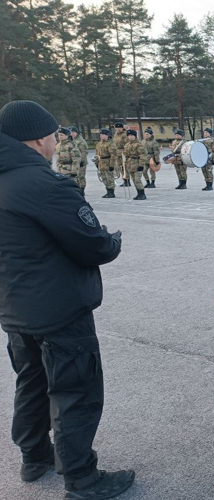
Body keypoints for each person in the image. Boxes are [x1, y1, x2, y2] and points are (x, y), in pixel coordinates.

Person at [0, 100, 133, 499]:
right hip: (58, 310)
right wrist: (112, 240)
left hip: (14, 309)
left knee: (31, 382)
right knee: (74, 391)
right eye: (55, 135)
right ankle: (82, 479)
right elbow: (93, 245)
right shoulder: (45, 184)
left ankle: (34, 456)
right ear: (39, 138)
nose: (57, 142)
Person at [123, 129, 147, 200]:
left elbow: (143, 155)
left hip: (137, 163)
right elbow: (125, 155)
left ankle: (142, 194)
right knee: (134, 180)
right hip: (130, 164)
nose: (130, 137)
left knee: (137, 180)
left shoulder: (139, 144)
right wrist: (125, 164)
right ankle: (138, 193)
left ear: (135, 136)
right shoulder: (127, 145)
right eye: (129, 136)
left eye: (132, 135)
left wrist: (141, 165)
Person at [94, 128, 117, 198]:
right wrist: (96, 163)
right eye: (101, 134)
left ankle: (111, 192)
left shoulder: (111, 144)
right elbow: (97, 154)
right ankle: (108, 191)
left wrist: (112, 165)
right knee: (104, 178)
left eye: (103, 134)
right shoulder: (99, 144)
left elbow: (113, 155)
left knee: (109, 177)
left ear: (107, 135)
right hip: (101, 162)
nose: (101, 136)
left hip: (108, 161)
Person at [69, 126, 88, 194]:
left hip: (81, 162)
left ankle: (82, 189)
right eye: (71, 132)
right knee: (75, 176)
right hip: (74, 162)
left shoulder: (81, 141)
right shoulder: (70, 140)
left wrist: (81, 160)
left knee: (81, 176)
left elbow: (84, 152)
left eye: (73, 132)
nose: (72, 133)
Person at [113, 123, 129, 187]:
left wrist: (126, 152)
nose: (118, 129)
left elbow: (127, 144)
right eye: (117, 128)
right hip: (117, 152)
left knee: (124, 167)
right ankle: (124, 179)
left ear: (122, 128)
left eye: (120, 128)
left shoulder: (124, 135)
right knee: (119, 167)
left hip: (123, 151)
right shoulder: (116, 134)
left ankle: (127, 180)